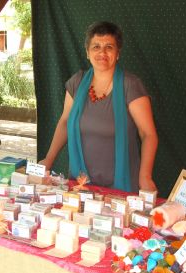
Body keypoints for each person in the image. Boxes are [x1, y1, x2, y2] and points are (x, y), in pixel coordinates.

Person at [40, 21, 158, 193]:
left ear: (118, 53)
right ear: (87, 52)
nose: (102, 52)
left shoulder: (130, 85)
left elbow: (148, 134)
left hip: (121, 187)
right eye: (96, 47)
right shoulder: (77, 82)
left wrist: (145, 176)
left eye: (109, 47)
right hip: (80, 184)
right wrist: (48, 160)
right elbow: (65, 122)